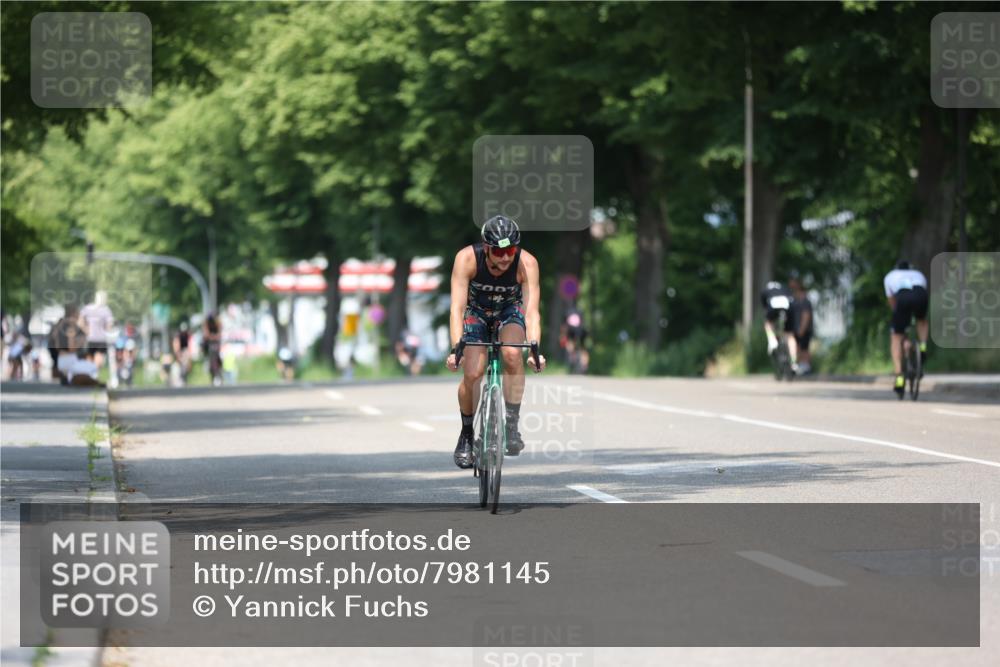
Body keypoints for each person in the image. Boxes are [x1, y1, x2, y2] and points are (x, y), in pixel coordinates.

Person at [446, 216, 546, 469]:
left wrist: (534, 349)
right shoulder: (467, 259)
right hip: (476, 312)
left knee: (513, 354)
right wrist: (456, 348)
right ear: (486, 247)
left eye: (510, 250)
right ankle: (467, 435)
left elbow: (532, 311)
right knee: (473, 372)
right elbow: (456, 308)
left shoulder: (527, 263)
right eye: (499, 251)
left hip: (509, 311)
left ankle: (511, 425)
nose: (505, 258)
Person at [883, 260, 929, 398]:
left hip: (902, 297)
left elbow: (892, 302)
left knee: (896, 336)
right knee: (922, 320)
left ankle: (899, 378)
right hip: (920, 294)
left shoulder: (890, 276)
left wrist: (898, 319)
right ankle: (923, 347)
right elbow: (923, 291)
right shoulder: (918, 274)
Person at [79, 291, 114, 370]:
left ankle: (91, 374)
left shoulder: (88, 308)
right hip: (99, 339)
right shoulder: (106, 310)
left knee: (91, 359)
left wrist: (86, 330)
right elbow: (109, 325)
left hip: (92, 338)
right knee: (97, 360)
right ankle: (93, 374)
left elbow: (80, 321)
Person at [760, 280, 794, 359]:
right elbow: (791, 300)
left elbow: (764, 306)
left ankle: (772, 340)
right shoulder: (784, 288)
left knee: (768, 322)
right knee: (790, 335)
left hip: (773, 308)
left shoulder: (766, 290)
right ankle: (793, 362)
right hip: (787, 309)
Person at [788, 278, 814, 375]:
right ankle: (800, 366)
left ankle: (806, 367)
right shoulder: (794, 300)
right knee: (798, 348)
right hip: (796, 329)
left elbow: (806, 316)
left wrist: (802, 329)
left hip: (803, 329)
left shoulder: (805, 301)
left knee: (804, 348)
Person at [560, 309, 589, 374]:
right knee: (583, 348)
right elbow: (583, 323)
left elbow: (563, 327)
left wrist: (562, 337)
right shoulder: (580, 311)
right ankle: (584, 365)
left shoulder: (566, 312)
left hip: (571, 330)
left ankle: (572, 356)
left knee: (570, 343)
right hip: (582, 330)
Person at [202, 313, 223, 386]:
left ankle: (218, 374)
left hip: (216, 343)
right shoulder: (206, 324)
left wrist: (214, 337)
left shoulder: (218, 323)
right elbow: (206, 335)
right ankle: (213, 375)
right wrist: (212, 337)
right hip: (209, 344)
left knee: (218, 359)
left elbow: (219, 335)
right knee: (211, 360)